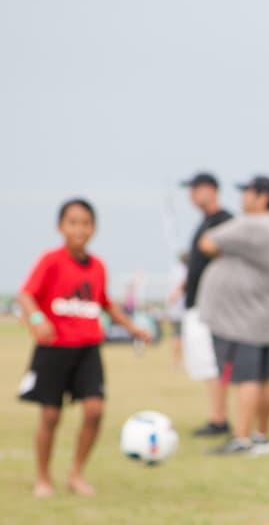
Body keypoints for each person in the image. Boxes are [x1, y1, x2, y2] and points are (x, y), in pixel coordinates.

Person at [16, 198, 152, 497]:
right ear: (61, 226)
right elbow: (26, 295)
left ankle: (76, 474)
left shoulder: (98, 266)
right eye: (73, 222)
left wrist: (133, 328)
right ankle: (43, 477)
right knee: (50, 416)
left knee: (95, 410)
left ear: (94, 228)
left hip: (88, 348)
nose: (79, 229)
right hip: (54, 348)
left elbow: (106, 303)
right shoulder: (51, 260)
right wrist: (38, 319)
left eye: (86, 223)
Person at [195, 175, 269, 456]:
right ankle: (260, 435)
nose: (243, 197)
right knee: (262, 377)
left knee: (247, 378)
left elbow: (207, 242)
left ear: (263, 198)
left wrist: (226, 253)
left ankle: (242, 438)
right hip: (255, 314)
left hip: (241, 318)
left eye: (247, 192)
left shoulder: (254, 224)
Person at [178, 172, 234, 437]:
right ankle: (216, 415)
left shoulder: (224, 221)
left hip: (212, 305)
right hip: (195, 303)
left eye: (195, 189)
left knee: (212, 362)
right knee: (203, 363)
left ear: (210, 189)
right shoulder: (204, 223)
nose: (191, 195)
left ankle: (219, 418)